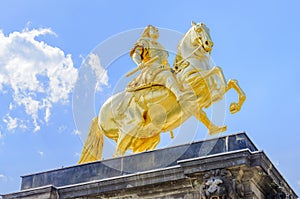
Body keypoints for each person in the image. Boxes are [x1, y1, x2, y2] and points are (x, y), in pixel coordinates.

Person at [126, 25, 185, 101]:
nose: (156, 30)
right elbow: (135, 54)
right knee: (166, 75)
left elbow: (164, 60)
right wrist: (140, 63)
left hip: (162, 67)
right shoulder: (144, 42)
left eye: (157, 29)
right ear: (148, 32)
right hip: (150, 68)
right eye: (153, 29)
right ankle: (179, 94)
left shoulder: (160, 46)